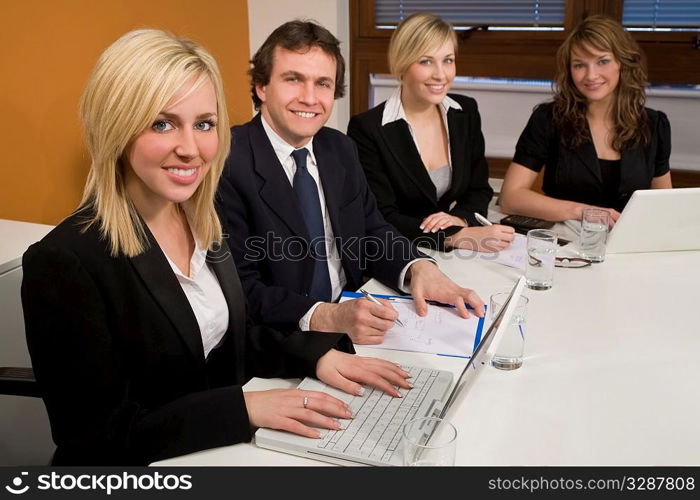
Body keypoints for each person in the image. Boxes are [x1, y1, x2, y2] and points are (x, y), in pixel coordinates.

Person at [20, 29, 411, 465]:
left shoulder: (198, 217)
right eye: (162, 123)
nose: (190, 149)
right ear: (116, 126)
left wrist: (315, 356)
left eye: (203, 124)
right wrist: (243, 410)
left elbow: (224, 339)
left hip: (218, 447)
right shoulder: (64, 262)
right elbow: (94, 438)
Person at [218, 20, 485, 346]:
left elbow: (372, 229)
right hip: (284, 339)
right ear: (262, 86)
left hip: (360, 315)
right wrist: (327, 316)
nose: (309, 98)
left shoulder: (338, 148)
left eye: (323, 84)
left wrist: (418, 268)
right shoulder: (228, 162)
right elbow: (239, 286)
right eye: (293, 80)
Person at [347, 13, 514, 252]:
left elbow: (479, 188)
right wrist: (454, 236)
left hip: (457, 254)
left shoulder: (465, 111)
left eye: (448, 60)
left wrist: (460, 219)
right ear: (402, 64)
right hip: (399, 252)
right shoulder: (368, 129)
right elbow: (381, 215)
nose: (441, 74)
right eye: (426, 61)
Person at [499, 15, 672, 223]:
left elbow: (663, 206)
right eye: (579, 65)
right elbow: (510, 198)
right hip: (565, 241)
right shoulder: (548, 118)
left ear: (622, 63)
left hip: (627, 243)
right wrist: (582, 211)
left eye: (603, 61)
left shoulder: (654, 125)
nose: (591, 75)